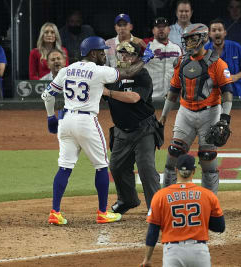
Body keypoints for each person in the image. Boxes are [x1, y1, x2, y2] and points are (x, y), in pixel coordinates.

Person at [41, 36, 155, 225]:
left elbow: (47, 95)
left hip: (66, 120)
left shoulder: (66, 70)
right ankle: (102, 212)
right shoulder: (100, 71)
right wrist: (144, 60)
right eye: (102, 51)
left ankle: (55, 212)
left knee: (64, 166)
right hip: (86, 121)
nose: (104, 54)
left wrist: (50, 117)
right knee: (101, 166)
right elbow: (128, 73)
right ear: (93, 53)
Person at [159, 23, 234, 195]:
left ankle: (210, 202)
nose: (190, 44)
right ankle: (166, 198)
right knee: (174, 153)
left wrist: (224, 118)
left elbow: (228, 93)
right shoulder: (181, 63)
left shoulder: (218, 64)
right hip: (185, 112)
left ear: (204, 39)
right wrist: (163, 116)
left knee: (208, 158)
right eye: (187, 40)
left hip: (210, 113)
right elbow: (173, 91)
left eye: (193, 39)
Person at [103, 41, 162, 215]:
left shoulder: (142, 75)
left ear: (137, 57)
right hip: (122, 131)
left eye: (129, 54)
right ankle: (127, 200)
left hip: (144, 130)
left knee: (146, 168)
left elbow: (134, 97)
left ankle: (156, 208)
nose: (124, 57)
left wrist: (109, 93)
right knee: (116, 167)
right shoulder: (111, 75)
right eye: (121, 53)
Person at [140, 153, 225, 267]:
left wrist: (147, 259)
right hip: (199, 252)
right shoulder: (208, 196)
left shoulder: (160, 196)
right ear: (194, 171)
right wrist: (202, 218)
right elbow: (219, 227)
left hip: (173, 253)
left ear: (176, 170)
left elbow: (153, 231)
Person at [205, 19, 241, 98]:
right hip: (214, 93)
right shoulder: (204, 50)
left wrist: (235, 77)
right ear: (209, 34)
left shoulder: (236, 47)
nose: (217, 32)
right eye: (214, 30)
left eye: (220, 30)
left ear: (225, 33)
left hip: (238, 91)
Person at [143, 17, 182, 100]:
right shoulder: (146, 46)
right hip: (151, 96)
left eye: (163, 27)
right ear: (153, 30)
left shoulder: (177, 48)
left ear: (169, 29)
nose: (161, 29)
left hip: (172, 97)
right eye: (158, 27)